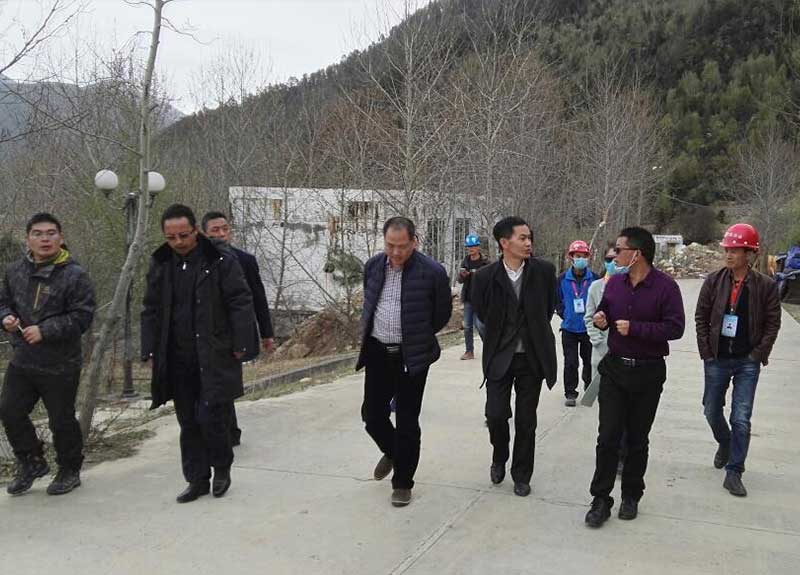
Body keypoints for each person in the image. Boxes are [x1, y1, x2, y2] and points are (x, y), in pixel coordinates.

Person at [141, 204, 257, 503]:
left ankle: (221, 468)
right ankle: (196, 479)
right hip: (176, 356)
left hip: (213, 352)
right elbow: (150, 308)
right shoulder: (161, 263)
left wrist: (241, 343)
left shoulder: (220, 259)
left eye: (184, 235)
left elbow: (240, 301)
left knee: (210, 416)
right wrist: (149, 349)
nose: (178, 242)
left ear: (195, 231)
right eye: (171, 237)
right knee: (188, 422)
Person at [585, 227, 685, 528]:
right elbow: (604, 312)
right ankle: (600, 499)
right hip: (615, 370)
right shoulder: (614, 283)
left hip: (648, 372)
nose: (614, 255)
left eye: (619, 250)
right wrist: (601, 320)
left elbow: (675, 328)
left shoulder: (666, 287)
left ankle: (631, 495)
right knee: (607, 438)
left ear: (637, 254)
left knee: (638, 439)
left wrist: (637, 328)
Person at [357, 216, 452, 507]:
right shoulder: (373, 266)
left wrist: (418, 335)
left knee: (407, 420)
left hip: (412, 355)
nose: (396, 252)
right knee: (372, 415)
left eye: (402, 246)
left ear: (414, 242)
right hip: (377, 352)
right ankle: (393, 451)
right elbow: (369, 301)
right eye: (390, 245)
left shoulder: (432, 272)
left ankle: (402, 482)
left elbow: (441, 314)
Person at [0, 212, 95, 496]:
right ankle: (31, 461)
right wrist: (5, 318)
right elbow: (3, 302)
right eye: (38, 234)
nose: (45, 239)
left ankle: (69, 469)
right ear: (27, 239)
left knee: (61, 419)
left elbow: (82, 316)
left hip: (60, 362)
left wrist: (45, 330)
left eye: (51, 233)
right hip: (23, 358)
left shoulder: (75, 275)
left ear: (61, 238)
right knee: (9, 409)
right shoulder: (15, 271)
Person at [471, 216, 558, 497]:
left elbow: (547, 309)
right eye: (522, 238)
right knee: (495, 415)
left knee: (526, 420)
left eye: (529, 237)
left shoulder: (544, 272)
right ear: (504, 243)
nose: (528, 242)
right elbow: (482, 313)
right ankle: (499, 456)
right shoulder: (485, 277)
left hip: (531, 358)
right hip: (500, 356)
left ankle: (521, 474)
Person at [695, 223, 781, 497]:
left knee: (741, 417)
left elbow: (773, 323)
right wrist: (707, 352)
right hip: (717, 358)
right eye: (727, 249)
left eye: (735, 250)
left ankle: (734, 472)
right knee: (711, 410)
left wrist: (758, 354)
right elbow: (701, 317)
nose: (729, 254)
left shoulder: (765, 286)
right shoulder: (714, 281)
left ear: (749, 254)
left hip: (747, 361)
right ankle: (725, 442)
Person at [202, 211, 275, 446]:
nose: (222, 234)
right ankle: (221, 431)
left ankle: (229, 432)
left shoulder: (244, 260)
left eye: (225, 229)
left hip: (234, 334)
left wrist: (266, 333)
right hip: (205, 334)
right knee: (210, 384)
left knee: (225, 384)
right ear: (204, 233)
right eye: (215, 230)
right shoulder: (196, 261)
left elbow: (258, 298)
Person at [557, 240, 596, 406]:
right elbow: (556, 300)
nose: (581, 259)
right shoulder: (561, 279)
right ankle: (570, 393)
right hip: (569, 328)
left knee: (589, 360)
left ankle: (589, 386)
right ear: (571, 258)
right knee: (571, 362)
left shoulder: (594, 278)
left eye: (584, 256)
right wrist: (564, 313)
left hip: (588, 328)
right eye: (577, 256)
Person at [457, 233, 489, 360]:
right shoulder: (465, 262)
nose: (471, 249)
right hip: (468, 299)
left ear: (478, 247)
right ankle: (469, 351)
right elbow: (459, 280)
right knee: (467, 326)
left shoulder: (485, 262)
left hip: (481, 299)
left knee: (480, 325)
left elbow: (490, 279)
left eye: (473, 246)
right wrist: (463, 276)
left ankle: (490, 347)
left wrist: (477, 274)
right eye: (469, 247)